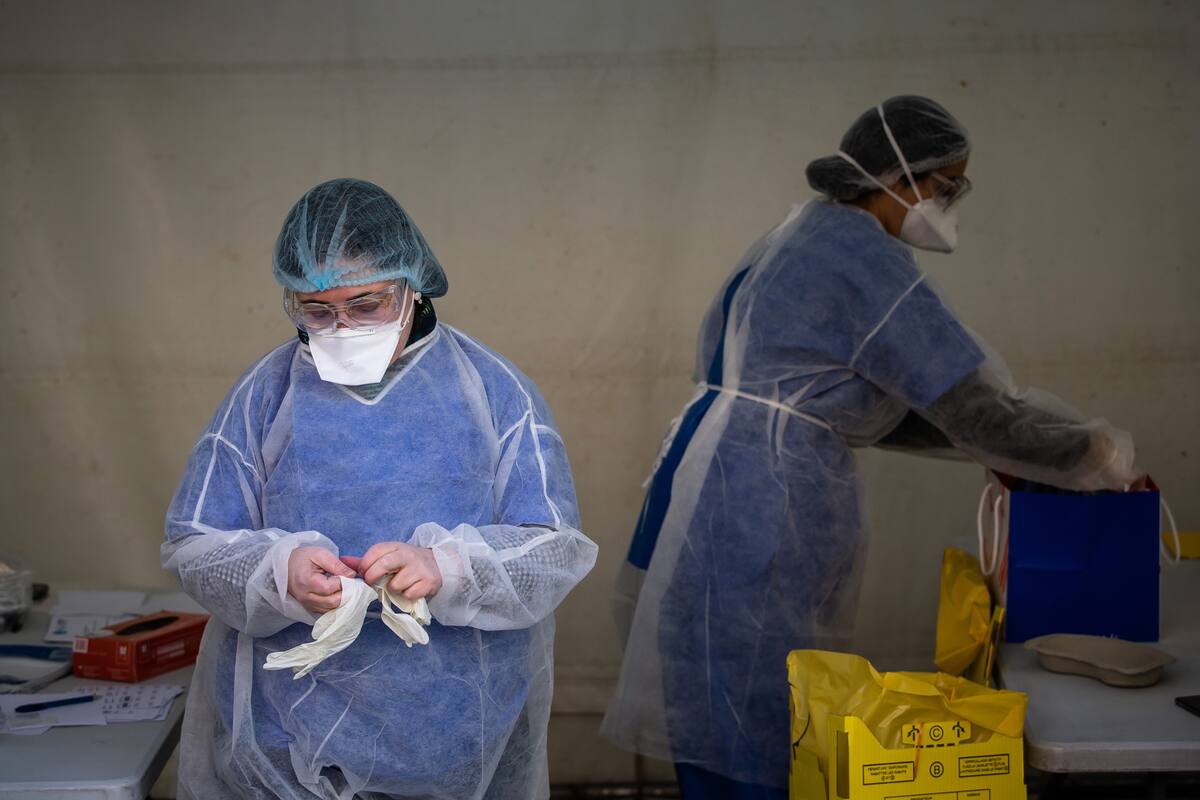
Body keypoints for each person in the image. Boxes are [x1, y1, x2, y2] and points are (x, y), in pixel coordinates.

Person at [600, 95, 1137, 797]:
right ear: (896, 176)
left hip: (710, 482)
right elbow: (970, 406)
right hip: (758, 502)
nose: (950, 202)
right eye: (945, 185)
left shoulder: (798, 235)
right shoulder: (861, 259)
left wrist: (1006, 450)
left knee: (716, 687)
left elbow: (863, 406)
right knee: (758, 709)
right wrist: (1088, 455)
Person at [163, 178, 598, 799]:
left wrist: (448, 567)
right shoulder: (267, 393)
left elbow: (554, 548)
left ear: (412, 286)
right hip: (289, 728)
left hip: (449, 728)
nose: (342, 328)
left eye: (366, 306)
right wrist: (275, 571)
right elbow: (193, 541)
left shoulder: (492, 389)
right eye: (318, 311)